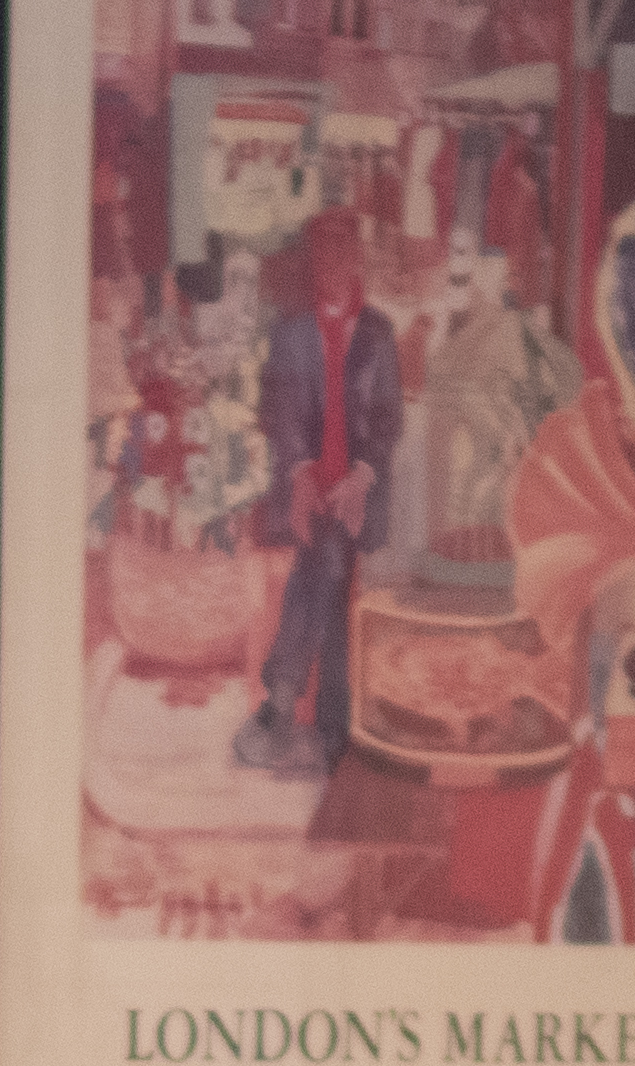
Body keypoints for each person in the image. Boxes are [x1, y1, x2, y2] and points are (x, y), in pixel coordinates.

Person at [239, 211, 400, 778]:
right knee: (327, 579)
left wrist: (358, 479)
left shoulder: (379, 333)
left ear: (356, 262)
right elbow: (277, 411)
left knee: (322, 578)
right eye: (321, 259)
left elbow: (387, 421)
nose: (330, 270)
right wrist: (304, 475)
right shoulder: (291, 332)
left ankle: (281, 707)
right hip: (308, 489)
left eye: (341, 257)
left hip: (355, 492)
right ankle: (331, 722)